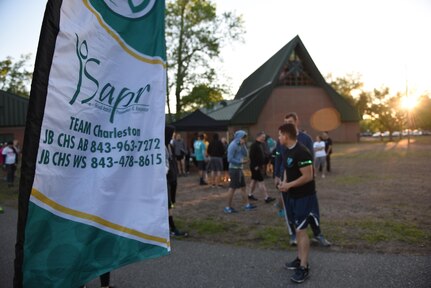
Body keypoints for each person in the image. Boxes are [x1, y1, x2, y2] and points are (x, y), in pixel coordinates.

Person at [274, 112, 331, 247]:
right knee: (289, 208)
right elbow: (278, 157)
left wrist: (312, 173)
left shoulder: (305, 139)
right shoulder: (281, 140)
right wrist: (277, 175)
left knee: (311, 208)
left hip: (304, 179)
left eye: (290, 122)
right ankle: (293, 235)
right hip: (286, 177)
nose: (288, 124)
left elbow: (310, 157)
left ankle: (318, 234)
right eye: (286, 122)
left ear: (297, 121)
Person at [277, 123, 320, 283]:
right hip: (293, 196)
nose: (279, 137)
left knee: (301, 231)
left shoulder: (302, 152)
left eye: (280, 135)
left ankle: (304, 267)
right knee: (297, 229)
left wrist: (288, 185)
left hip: (304, 197)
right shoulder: (288, 149)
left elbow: (308, 176)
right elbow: (288, 169)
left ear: (286, 136)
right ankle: (299, 258)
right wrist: (284, 182)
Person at [224, 130, 257, 213]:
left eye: (245, 138)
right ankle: (228, 207)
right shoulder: (233, 145)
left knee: (243, 187)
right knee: (232, 188)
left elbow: (246, 154)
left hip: (239, 169)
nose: (244, 139)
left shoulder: (240, 145)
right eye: (243, 138)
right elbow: (229, 159)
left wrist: (243, 145)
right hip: (234, 169)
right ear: (239, 137)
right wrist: (240, 162)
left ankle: (247, 204)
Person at [165, 126, 188, 237]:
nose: (173, 136)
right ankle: (172, 227)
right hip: (166, 180)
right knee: (168, 204)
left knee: (171, 203)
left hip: (173, 179)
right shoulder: (161, 147)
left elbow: (172, 162)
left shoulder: (171, 146)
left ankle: (169, 225)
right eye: (171, 134)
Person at [248, 131, 275, 203]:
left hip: (257, 166)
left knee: (254, 180)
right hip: (256, 167)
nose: (264, 138)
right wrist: (256, 166)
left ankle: (250, 194)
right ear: (258, 137)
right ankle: (266, 197)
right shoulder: (254, 145)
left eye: (264, 137)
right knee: (261, 182)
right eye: (263, 137)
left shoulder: (260, 144)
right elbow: (251, 156)